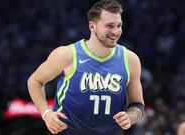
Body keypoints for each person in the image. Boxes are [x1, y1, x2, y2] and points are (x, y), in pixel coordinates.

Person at [27, 0, 145, 135]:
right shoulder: (67, 54)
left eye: (119, 26)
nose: (116, 31)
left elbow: (137, 105)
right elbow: (35, 81)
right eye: (110, 26)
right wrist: (46, 113)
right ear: (92, 26)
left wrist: (130, 117)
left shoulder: (130, 59)